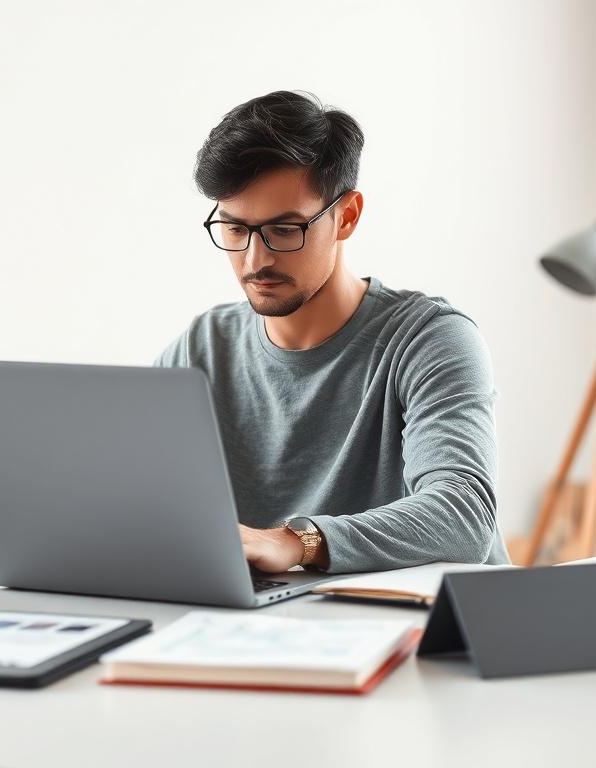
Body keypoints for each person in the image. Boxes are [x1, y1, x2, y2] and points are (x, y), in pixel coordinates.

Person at [154, 90, 511, 575]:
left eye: (285, 229)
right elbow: (131, 494)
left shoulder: (429, 340)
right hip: (276, 626)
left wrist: (296, 542)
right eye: (235, 229)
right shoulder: (204, 347)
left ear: (346, 216)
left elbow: (463, 518)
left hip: (431, 628)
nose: (255, 260)